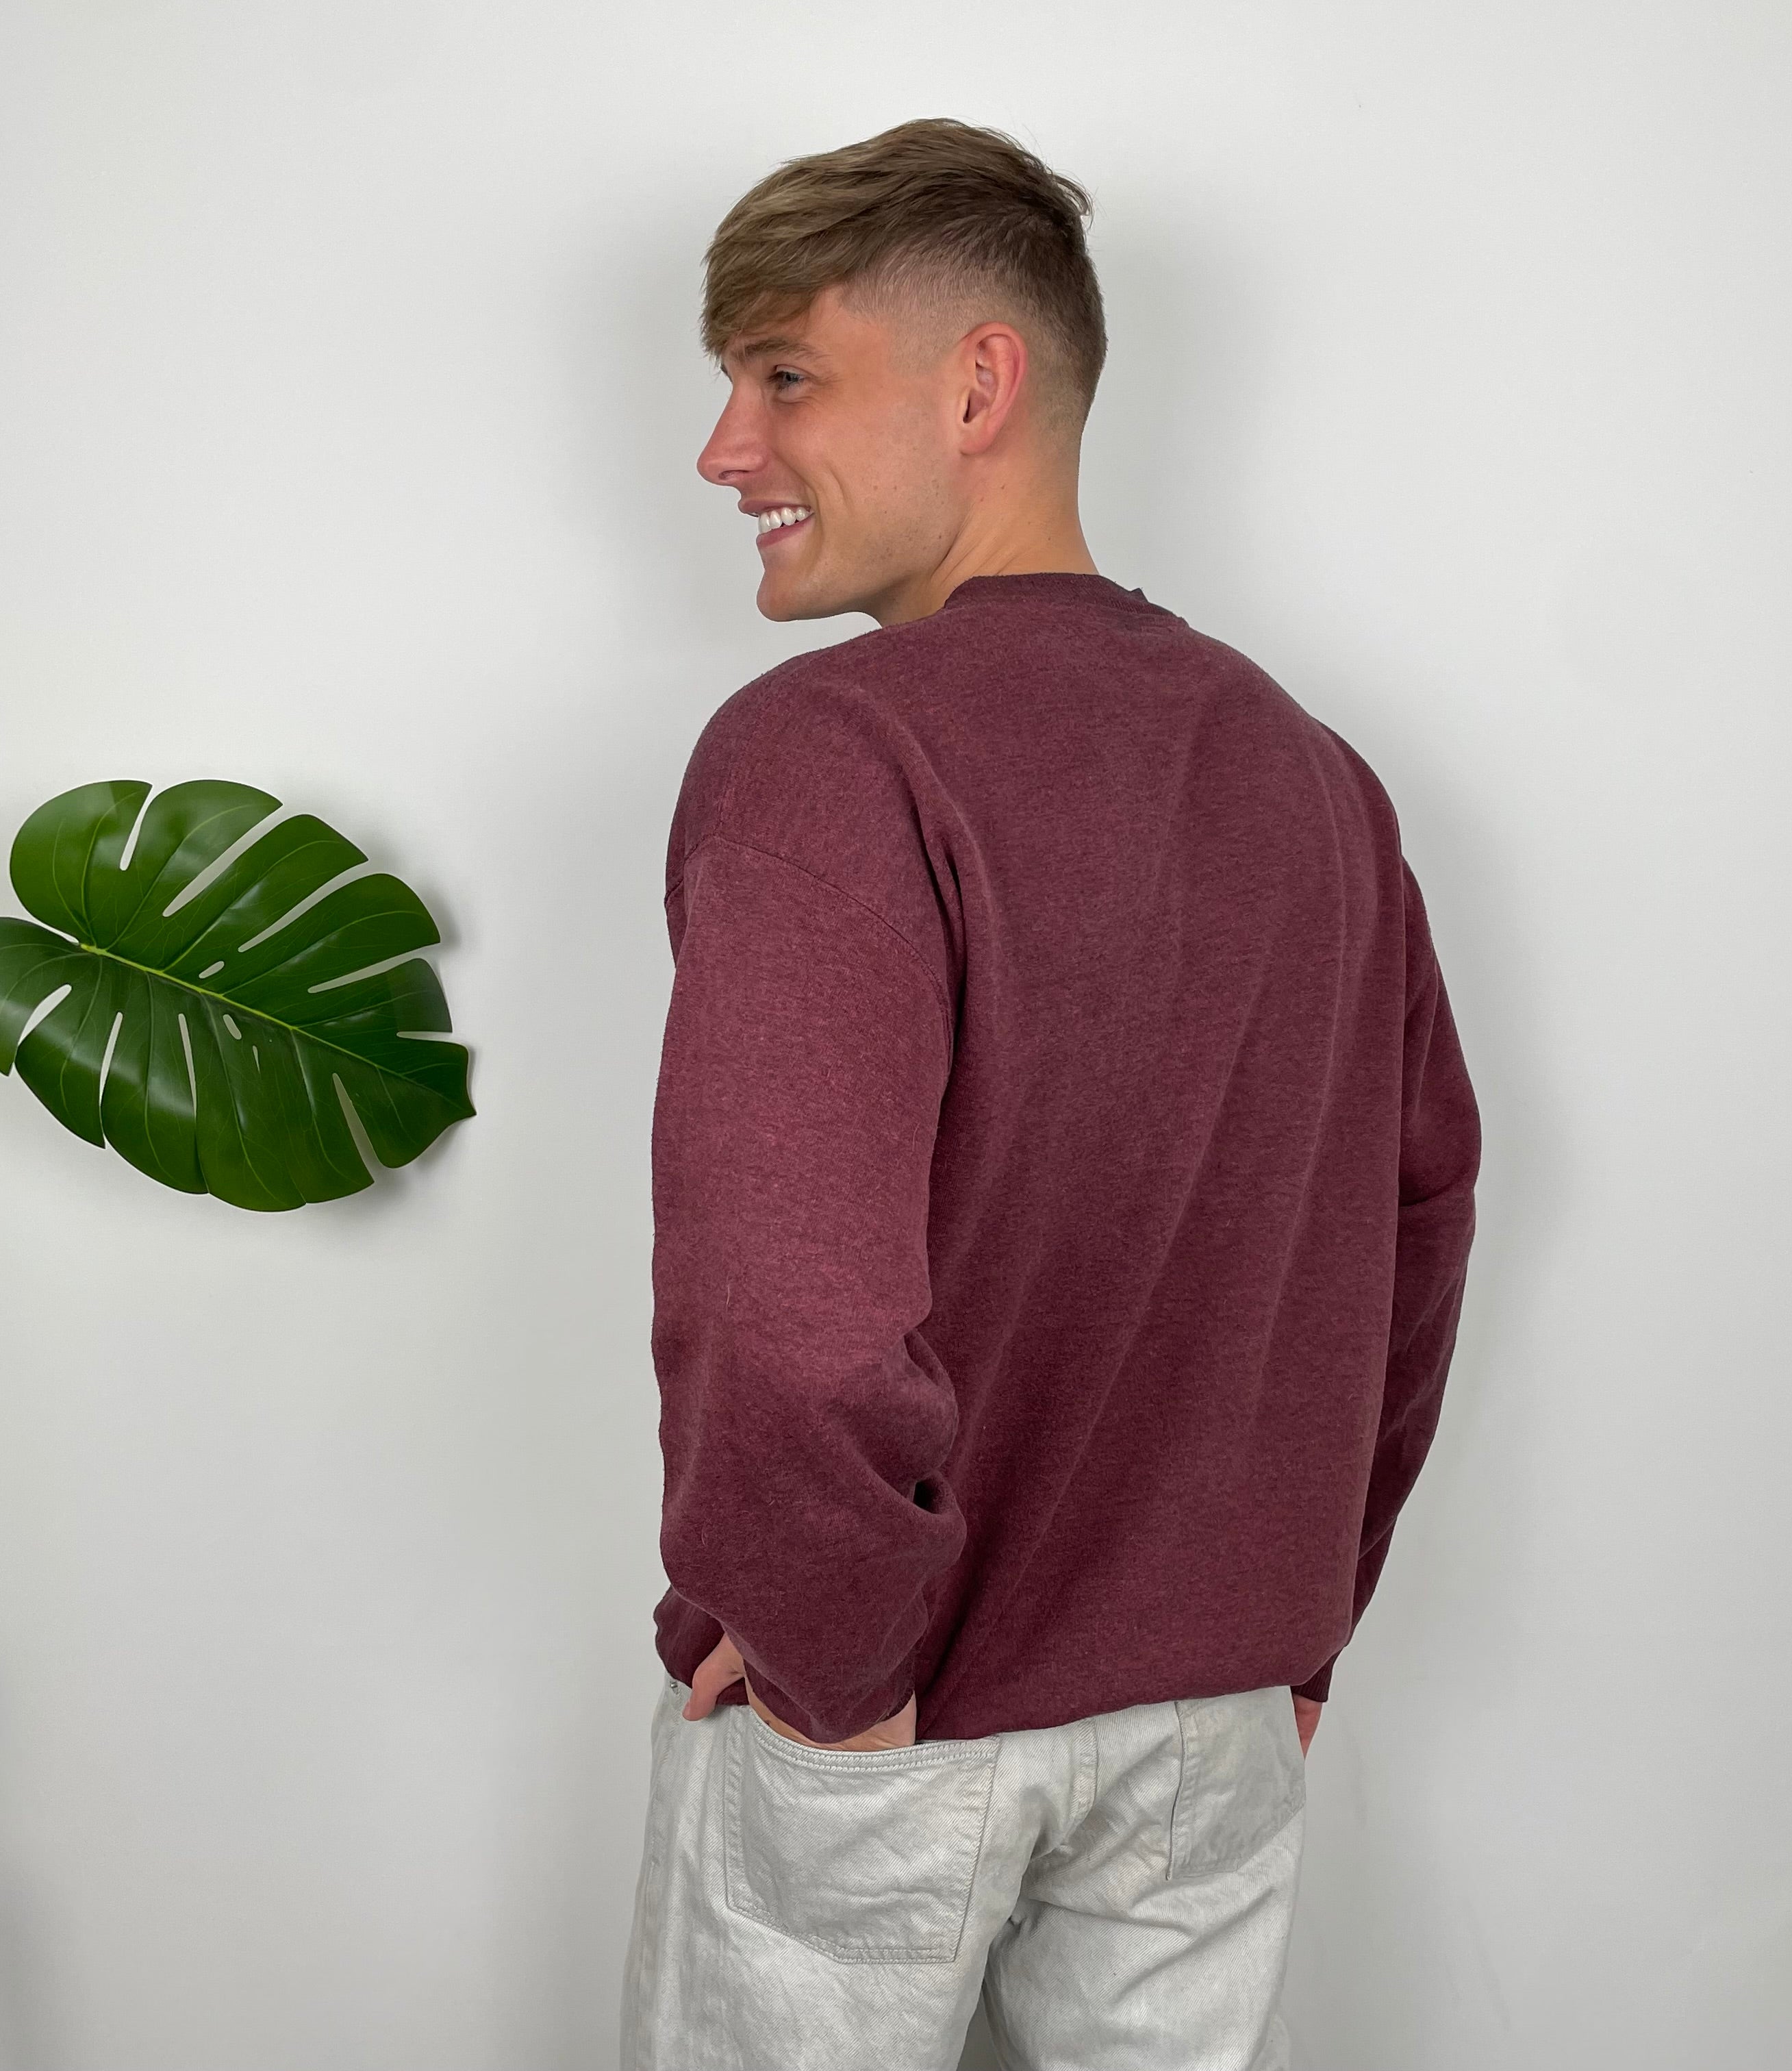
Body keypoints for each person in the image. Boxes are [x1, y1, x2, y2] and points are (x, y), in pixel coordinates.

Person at [620, 116, 1480, 2071]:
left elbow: (793, 1310)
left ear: (981, 383)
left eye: (783, 378)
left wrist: (835, 1668)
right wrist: (1302, 1616)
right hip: (1216, 1727)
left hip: (892, 1719)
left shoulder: (825, 753)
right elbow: (1422, 1215)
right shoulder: (1315, 777)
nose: (722, 451)